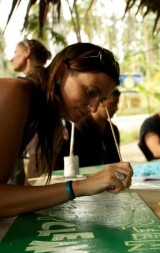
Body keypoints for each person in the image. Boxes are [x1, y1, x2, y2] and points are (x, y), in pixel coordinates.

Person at [0, 42, 133, 218]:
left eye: (101, 99)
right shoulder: (16, 92)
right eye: (90, 91)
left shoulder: (42, 113)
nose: (93, 108)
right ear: (62, 73)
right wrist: (81, 186)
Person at [10, 39, 52, 182]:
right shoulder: (49, 81)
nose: (11, 58)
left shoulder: (28, 85)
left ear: (27, 53)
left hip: (38, 156)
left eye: (16, 53)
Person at [55, 88, 122, 168]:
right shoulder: (80, 127)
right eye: (112, 104)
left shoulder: (113, 130)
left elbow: (116, 161)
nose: (116, 108)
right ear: (99, 102)